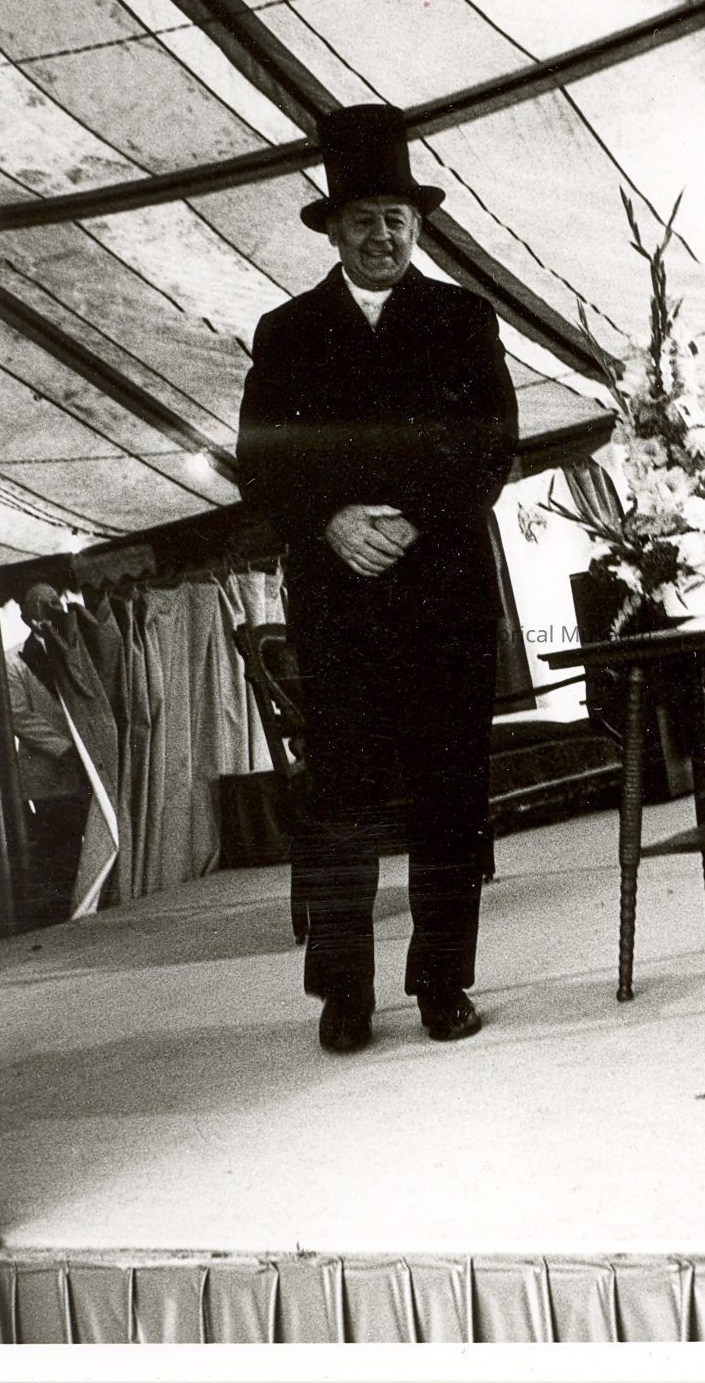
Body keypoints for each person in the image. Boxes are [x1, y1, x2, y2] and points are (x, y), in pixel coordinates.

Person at [236, 104, 519, 1052]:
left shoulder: (464, 318)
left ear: (417, 224)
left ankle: (443, 982)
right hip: (337, 601)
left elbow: (492, 445)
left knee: (450, 791)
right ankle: (343, 996)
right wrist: (332, 520)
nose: (383, 235)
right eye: (364, 219)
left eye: (397, 218)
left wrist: (410, 519)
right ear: (334, 228)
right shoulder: (285, 333)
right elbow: (260, 463)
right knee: (341, 801)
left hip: (446, 595)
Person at [5, 583, 90, 930]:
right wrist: (63, 748)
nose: (52, 609)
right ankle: (59, 915)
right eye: (44, 605)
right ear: (28, 616)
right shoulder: (13, 660)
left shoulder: (75, 650)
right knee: (58, 845)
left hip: (85, 765)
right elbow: (19, 716)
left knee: (89, 837)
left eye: (56, 602)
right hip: (46, 772)